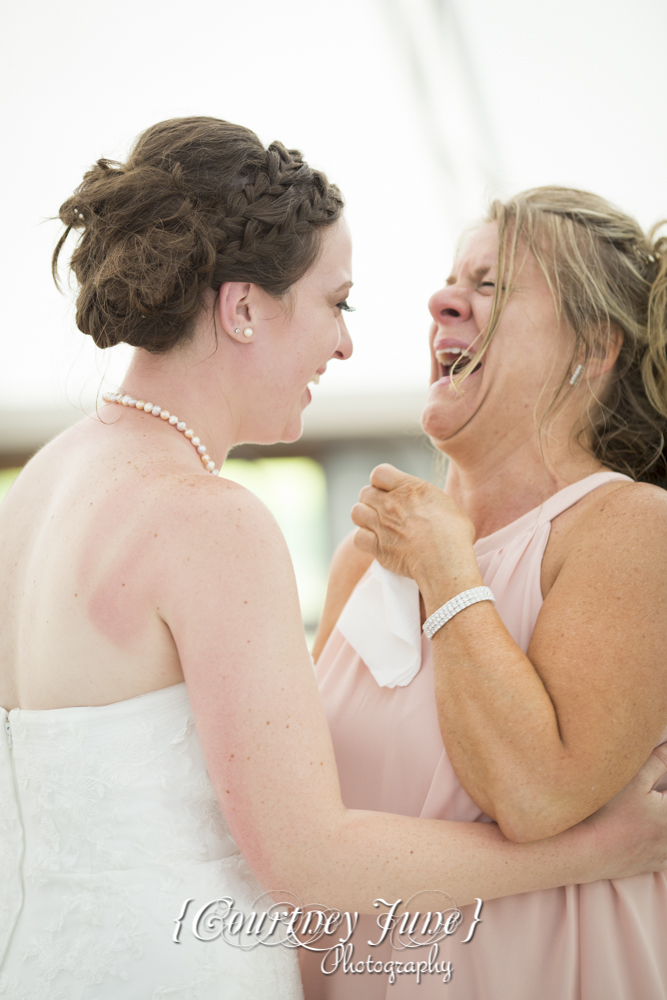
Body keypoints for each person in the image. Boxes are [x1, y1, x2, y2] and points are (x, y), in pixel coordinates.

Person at [0, 127, 665, 1000]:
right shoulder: (219, 521)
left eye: (489, 285)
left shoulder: (42, 484)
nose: (349, 344)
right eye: (336, 302)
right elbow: (310, 854)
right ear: (242, 309)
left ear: (594, 346)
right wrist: (601, 851)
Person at [305, 187, 667, 999]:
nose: (441, 302)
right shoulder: (364, 558)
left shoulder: (631, 529)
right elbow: (308, 826)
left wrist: (447, 570)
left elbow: (535, 795)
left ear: (592, 349)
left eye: (491, 285)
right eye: (449, 281)